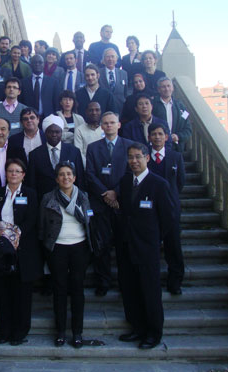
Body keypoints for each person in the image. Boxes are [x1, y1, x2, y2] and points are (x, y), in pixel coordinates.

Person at [117, 142, 174, 349]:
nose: (134, 161)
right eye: (130, 157)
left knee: (150, 292)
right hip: (126, 246)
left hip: (147, 248)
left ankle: (153, 333)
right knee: (130, 290)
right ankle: (137, 328)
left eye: (138, 157)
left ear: (147, 158)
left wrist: (154, 239)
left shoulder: (159, 184)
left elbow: (168, 219)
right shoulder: (124, 181)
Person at [0, 158, 42, 345]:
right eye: (10, 171)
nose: (14, 174)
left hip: (23, 250)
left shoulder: (30, 194)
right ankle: (4, 331)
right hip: (1, 250)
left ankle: (20, 332)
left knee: (22, 294)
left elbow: (32, 220)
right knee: (4, 293)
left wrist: (14, 237)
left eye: (18, 171)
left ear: (23, 175)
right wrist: (1, 239)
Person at [39, 161, 92, 348]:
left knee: (77, 290)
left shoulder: (83, 197)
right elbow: (42, 225)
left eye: (69, 174)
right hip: (57, 248)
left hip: (79, 247)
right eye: (62, 174)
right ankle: (60, 331)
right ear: (56, 178)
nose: (66, 177)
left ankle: (77, 332)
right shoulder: (48, 198)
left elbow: (88, 221)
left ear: (75, 177)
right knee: (59, 290)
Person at [85, 112, 133, 296]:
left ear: (119, 125)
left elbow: (131, 173)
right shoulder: (93, 148)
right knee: (101, 245)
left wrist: (116, 193)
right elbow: (89, 174)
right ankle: (103, 282)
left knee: (123, 245)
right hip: (100, 203)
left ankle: (125, 281)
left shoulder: (129, 146)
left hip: (122, 205)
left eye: (112, 122)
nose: (109, 126)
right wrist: (106, 194)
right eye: (105, 123)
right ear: (101, 127)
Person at [147, 123, 185, 294]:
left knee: (173, 246)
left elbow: (180, 182)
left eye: (160, 134)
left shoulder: (176, 156)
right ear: (149, 137)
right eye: (153, 134)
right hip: (149, 209)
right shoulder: (145, 157)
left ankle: (175, 281)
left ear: (166, 137)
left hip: (170, 208)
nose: (157, 137)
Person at [27, 114, 84, 202]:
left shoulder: (74, 151)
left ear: (61, 133)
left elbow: (80, 179)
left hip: (70, 199)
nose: (54, 135)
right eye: (50, 132)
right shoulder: (34, 154)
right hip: (44, 201)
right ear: (45, 133)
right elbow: (32, 182)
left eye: (57, 132)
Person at [152, 77, 192, 152]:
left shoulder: (181, 106)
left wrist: (178, 136)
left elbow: (188, 128)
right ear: (158, 89)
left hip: (177, 147)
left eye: (168, 86)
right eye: (163, 87)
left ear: (172, 88)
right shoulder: (152, 105)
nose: (166, 89)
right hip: (157, 147)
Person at [20, 55, 59, 119]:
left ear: (44, 64)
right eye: (35, 62)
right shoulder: (23, 82)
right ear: (30, 64)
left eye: (40, 62)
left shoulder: (53, 82)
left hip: (48, 118)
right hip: (29, 119)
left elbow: (56, 102)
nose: (37, 64)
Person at [99, 48, 128, 116]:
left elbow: (126, 92)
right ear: (103, 59)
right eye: (108, 56)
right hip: (103, 108)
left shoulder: (123, 73)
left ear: (116, 59)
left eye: (112, 56)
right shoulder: (98, 73)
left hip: (120, 109)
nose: (110, 59)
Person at [74, 102, 104, 166]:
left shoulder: (106, 128)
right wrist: (89, 166)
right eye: (91, 110)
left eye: (97, 110)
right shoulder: (79, 130)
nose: (94, 113)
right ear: (86, 112)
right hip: (87, 166)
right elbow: (79, 152)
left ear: (100, 112)